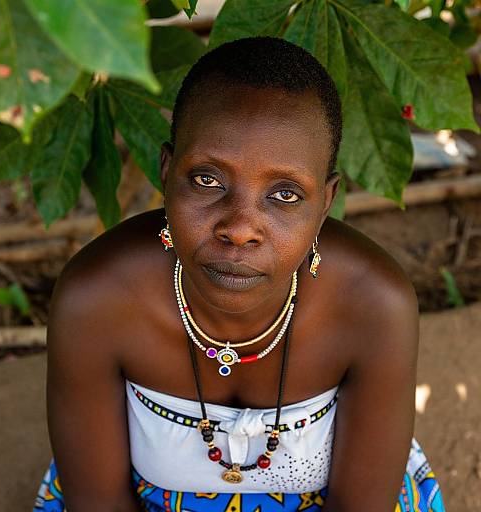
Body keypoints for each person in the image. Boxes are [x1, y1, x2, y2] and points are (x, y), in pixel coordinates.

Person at [33, 36, 445, 512]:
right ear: (166, 172)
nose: (240, 229)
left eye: (285, 195)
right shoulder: (97, 300)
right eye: (208, 179)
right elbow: (99, 503)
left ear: (326, 202)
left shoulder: (375, 305)